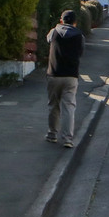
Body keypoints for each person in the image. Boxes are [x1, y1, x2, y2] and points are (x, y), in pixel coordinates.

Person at [46, 9, 85, 148]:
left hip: (54, 74)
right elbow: (80, 52)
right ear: (75, 22)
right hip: (71, 76)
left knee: (53, 106)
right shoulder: (79, 35)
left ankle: (52, 135)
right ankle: (68, 139)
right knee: (69, 107)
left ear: (61, 20)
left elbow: (48, 40)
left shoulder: (54, 32)